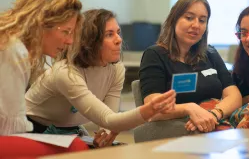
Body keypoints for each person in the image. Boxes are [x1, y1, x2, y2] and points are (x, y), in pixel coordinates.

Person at [25, 8, 176, 148]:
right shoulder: (65, 73)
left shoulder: (116, 69)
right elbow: (109, 119)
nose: (119, 40)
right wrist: (147, 111)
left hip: (68, 131)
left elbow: (108, 119)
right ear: (89, 42)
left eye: (118, 32)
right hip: (32, 129)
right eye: (109, 34)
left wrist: (104, 134)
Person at [140, 0, 249, 136]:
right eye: (189, 18)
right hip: (187, 121)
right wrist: (190, 109)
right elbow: (152, 107)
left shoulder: (209, 52)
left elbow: (234, 95)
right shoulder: (155, 55)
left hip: (218, 115)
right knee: (229, 130)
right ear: (174, 19)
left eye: (202, 20)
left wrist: (215, 114)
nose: (196, 25)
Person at [0, 0, 88, 156]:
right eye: (66, 32)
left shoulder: (10, 41)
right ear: (43, 23)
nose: (70, 41)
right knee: (76, 147)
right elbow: (8, 129)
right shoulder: (14, 50)